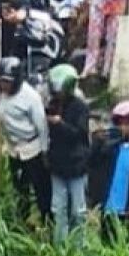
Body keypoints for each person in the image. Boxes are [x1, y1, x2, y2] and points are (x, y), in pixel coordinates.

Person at [0, 56, 50, 223]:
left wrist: (45, 150)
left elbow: (41, 126)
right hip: (13, 149)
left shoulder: (30, 98)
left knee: (40, 188)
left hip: (32, 148)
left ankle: (46, 221)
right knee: (19, 188)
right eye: (1, 81)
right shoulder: (1, 94)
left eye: (8, 82)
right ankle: (22, 222)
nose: (4, 85)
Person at [90, 100, 129, 244]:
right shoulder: (111, 148)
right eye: (120, 124)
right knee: (108, 247)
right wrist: (97, 143)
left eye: (127, 124)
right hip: (110, 209)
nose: (123, 128)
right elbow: (93, 164)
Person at [44, 64, 89, 243]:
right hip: (57, 166)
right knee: (58, 209)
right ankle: (60, 246)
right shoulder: (53, 104)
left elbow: (78, 133)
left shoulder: (80, 107)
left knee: (78, 210)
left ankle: (79, 246)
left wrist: (59, 123)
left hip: (76, 166)